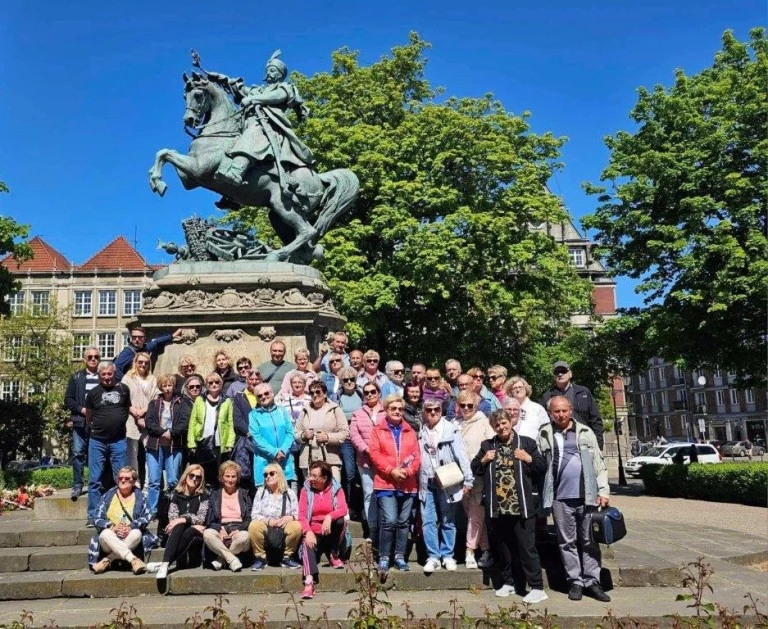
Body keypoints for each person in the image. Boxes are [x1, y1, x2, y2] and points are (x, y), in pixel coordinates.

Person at [537, 396, 611, 602]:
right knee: (566, 542)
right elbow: (540, 465)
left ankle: (592, 581)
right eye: (556, 411)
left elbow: (599, 463)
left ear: (570, 410)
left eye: (564, 410)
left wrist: (603, 491)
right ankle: (575, 581)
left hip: (587, 496)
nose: (560, 415)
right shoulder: (544, 433)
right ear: (550, 413)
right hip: (560, 497)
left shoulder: (585, 432)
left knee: (589, 541)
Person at [207, 51, 315, 190]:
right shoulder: (257, 90)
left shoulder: (285, 87)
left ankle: (236, 171)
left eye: (272, 70)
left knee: (254, 133)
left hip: (268, 126)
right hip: (247, 124)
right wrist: (221, 79)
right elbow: (239, 88)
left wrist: (253, 99)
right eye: (267, 70)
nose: (269, 73)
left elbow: (278, 96)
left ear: (280, 75)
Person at [472, 410, 547, 603]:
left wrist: (528, 458)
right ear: (493, 427)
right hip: (498, 508)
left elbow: (541, 466)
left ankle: (537, 586)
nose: (502, 427)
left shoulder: (527, 443)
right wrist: (484, 459)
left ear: (511, 422)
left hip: (521, 505)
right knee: (503, 548)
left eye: (504, 423)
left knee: (526, 547)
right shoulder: (488, 445)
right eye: (497, 425)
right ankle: (509, 582)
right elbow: (475, 468)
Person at [418, 398, 474, 574]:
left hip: (447, 481)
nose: (433, 412)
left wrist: (468, 479)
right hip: (427, 481)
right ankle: (433, 556)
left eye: (436, 409)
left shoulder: (451, 429)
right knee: (428, 521)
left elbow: (461, 455)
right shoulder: (421, 431)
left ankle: (447, 555)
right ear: (424, 412)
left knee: (448, 521)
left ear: (441, 411)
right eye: (429, 410)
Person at [369, 395, 421, 575]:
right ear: (386, 410)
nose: (397, 411)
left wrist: (408, 472)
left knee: (403, 521)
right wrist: (391, 470)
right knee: (389, 520)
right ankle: (384, 556)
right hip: (385, 482)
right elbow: (375, 455)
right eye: (393, 408)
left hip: (408, 483)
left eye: (400, 408)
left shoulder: (410, 431)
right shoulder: (378, 430)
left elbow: (416, 456)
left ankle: (399, 556)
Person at [85, 361, 132, 527]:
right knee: (95, 479)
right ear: (99, 375)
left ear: (114, 373)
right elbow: (89, 416)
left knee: (120, 477)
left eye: (109, 374)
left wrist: (116, 424)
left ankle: (117, 513)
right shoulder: (93, 393)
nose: (106, 377)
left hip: (118, 440)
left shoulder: (123, 390)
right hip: (97, 440)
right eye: (103, 374)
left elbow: (126, 410)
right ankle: (93, 515)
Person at [87, 466, 156, 575]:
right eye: (120, 478)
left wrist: (131, 527)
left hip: (130, 537)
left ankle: (107, 560)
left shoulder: (140, 496)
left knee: (137, 533)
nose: (123, 480)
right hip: (109, 540)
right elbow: (96, 517)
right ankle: (133, 560)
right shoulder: (108, 495)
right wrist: (112, 527)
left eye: (127, 478)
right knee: (105, 533)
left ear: (133, 481)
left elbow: (147, 516)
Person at [454, 390, 495, 569]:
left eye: (470, 405)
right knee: (473, 514)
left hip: (478, 475)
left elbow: (491, 446)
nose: (466, 408)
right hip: (459, 477)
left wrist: (482, 461)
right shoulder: (454, 424)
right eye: (462, 405)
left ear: (476, 406)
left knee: (475, 515)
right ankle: (486, 549)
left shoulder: (484, 422)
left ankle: (470, 550)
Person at [298, 461, 349, 599]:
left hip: (330, 529)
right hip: (314, 530)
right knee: (306, 543)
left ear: (324, 478)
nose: (311, 479)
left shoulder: (336, 489)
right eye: (310, 475)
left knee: (341, 521)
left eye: (315, 476)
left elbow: (343, 509)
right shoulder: (305, 490)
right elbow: (302, 515)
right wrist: (308, 531)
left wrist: (329, 516)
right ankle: (309, 581)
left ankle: (333, 553)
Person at [153, 464, 210, 579]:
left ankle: (165, 563)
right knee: (180, 527)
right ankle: (165, 564)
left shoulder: (203, 495)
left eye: (198, 477)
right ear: (186, 476)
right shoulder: (177, 495)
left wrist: (182, 519)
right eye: (192, 475)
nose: (194, 479)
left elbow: (201, 518)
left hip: (198, 532)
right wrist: (186, 520)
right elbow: (172, 517)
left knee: (187, 529)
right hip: (180, 531)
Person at [144, 375, 185, 517]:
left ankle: (172, 510)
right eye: (165, 386)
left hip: (174, 446)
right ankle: (153, 511)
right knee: (154, 481)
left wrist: (172, 433)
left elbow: (184, 423)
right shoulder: (154, 403)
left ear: (174, 387)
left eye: (170, 386)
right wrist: (163, 432)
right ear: (161, 387)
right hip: (155, 446)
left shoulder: (181, 402)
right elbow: (149, 422)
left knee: (173, 480)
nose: (168, 389)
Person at [248, 463, 302, 569]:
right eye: (265, 475)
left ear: (280, 475)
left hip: (284, 527)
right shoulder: (261, 492)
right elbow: (254, 514)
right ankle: (260, 558)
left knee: (297, 526)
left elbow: (297, 514)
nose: (268, 476)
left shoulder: (289, 493)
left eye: (272, 473)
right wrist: (267, 521)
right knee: (254, 525)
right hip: (266, 526)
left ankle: (287, 557)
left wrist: (290, 518)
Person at [64, 347, 101, 500]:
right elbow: (68, 400)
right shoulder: (76, 377)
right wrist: (82, 409)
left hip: (99, 423)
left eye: (96, 357)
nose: (93, 359)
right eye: (90, 357)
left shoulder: (104, 376)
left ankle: (95, 484)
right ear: (84, 359)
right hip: (80, 421)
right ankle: (77, 485)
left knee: (96, 455)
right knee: (78, 454)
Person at [540, 361, 603, 449]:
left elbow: (595, 419)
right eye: (557, 372)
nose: (560, 374)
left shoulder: (583, 392)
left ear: (570, 374)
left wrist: (599, 445)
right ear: (554, 376)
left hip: (584, 440)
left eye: (563, 371)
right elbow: (542, 422)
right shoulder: (547, 396)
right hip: (558, 443)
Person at [295, 381, 349, 482]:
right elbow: (296, 433)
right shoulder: (305, 410)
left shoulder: (335, 409)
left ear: (324, 394)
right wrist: (303, 435)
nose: (315, 395)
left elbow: (345, 433)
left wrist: (327, 437)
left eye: (318, 392)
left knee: (334, 490)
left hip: (330, 460)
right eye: (312, 393)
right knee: (312, 493)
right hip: (309, 460)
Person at [187, 373, 235, 486]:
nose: (214, 385)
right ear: (206, 385)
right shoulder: (199, 400)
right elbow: (192, 422)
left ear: (221, 384)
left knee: (218, 474)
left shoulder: (227, 401)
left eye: (217, 382)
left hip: (219, 442)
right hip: (202, 442)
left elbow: (230, 423)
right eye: (211, 383)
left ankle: (215, 498)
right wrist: (191, 443)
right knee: (202, 474)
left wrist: (229, 443)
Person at [203, 461, 252, 571]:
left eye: (233, 476)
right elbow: (210, 519)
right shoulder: (215, 494)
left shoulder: (244, 493)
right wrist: (219, 529)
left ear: (238, 478)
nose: (230, 480)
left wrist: (239, 529)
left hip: (239, 528)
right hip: (221, 527)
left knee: (245, 537)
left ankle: (221, 558)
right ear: (222, 478)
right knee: (208, 534)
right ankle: (232, 559)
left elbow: (249, 517)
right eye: (227, 476)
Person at [350, 382, 385, 538]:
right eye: (366, 392)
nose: (370, 394)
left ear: (378, 393)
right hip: (365, 460)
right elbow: (354, 435)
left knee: (385, 493)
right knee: (369, 493)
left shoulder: (387, 410)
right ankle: (373, 528)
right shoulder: (358, 413)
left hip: (385, 459)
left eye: (373, 391)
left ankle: (386, 526)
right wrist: (367, 449)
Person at [249, 384, 296, 488]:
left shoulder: (282, 410)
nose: (263, 397)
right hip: (265, 463)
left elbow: (290, 432)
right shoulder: (253, 415)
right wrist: (274, 452)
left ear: (272, 393)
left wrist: (283, 450)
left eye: (266, 393)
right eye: (259, 396)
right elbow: (256, 438)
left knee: (287, 499)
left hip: (285, 460)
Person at [121, 352, 159, 479]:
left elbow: (156, 398)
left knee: (151, 452)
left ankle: (149, 483)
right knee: (132, 453)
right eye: (140, 362)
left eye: (146, 362)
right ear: (135, 363)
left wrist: (143, 412)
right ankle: (134, 482)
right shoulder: (127, 378)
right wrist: (136, 413)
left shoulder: (152, 379)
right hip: (131, 419)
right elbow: (123, 397)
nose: (143, 364)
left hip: (148, 418)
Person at [336, 366, 363, 517]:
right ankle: (349, 505)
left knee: (362, 473)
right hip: (346, 439)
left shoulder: (362, 394)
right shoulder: (337, 397)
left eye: (352, 379)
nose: (349, 382)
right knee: (350, 472)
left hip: (361, 436)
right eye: (345, 380)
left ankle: (360, 508)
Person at [114, 325, 181, 381]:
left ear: (144, 338)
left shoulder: (145, 347)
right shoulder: (127, 352)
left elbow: (156, 342)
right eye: (134, 337)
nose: (137, 339)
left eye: (140, 337)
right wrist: (127, 382)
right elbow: (115, 369)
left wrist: (172, 336)